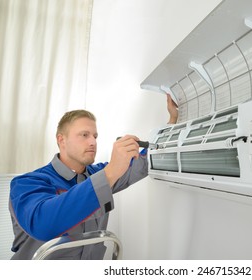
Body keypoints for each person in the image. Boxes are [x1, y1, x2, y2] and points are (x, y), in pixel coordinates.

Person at [9, 94, 178, 260]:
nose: (93, 142)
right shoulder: (26, 183)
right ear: (62, 140)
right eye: (84, 135)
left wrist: (172, 122)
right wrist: (111, 171)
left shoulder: (99, 174)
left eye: (95, 136)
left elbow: (144, 162)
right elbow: (43, 224)